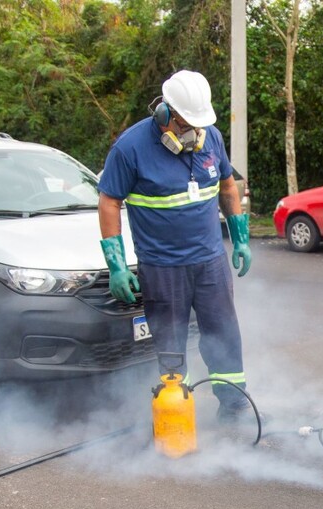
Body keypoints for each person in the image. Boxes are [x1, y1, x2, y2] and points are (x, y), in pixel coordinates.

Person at [98, 69, 254, 422]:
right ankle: (176, 414)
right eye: (185, 123)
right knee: (170, 344)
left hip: (210, 261)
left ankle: (234, 406)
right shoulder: (130, 148)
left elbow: (229, 187)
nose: (192, 133)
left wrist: (241, 239)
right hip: (162, 267)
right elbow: (109, 202)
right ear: (164, 113)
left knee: (225, 335)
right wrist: (117, 266)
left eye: (197, 125)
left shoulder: (210, 137)